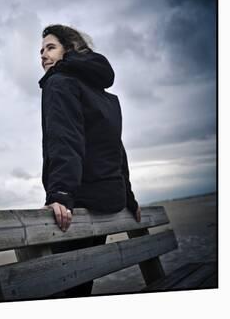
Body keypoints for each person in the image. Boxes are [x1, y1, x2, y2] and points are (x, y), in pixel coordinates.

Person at [38, 24, 141, 297]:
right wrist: (128, 196)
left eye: (50, 47)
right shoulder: (101, 94)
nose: (43, 56)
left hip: (80, 201)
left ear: (69, 50)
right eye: (41, 51)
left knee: (63, 290)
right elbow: (115, 149)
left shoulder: (59, 83)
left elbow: (64, 139)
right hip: (107, 198)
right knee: (82, 285)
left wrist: (60, 192)